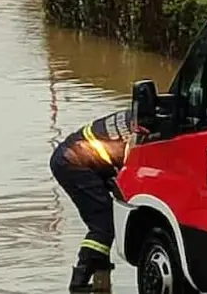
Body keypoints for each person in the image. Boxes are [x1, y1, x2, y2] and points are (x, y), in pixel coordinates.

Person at [50, 108, 134, 292]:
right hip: (73, 162)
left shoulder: (136, 115)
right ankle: (80, 283)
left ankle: (101, 282)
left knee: (106, 222)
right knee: (104, 225)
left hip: (75, 157)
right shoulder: (142, 138)